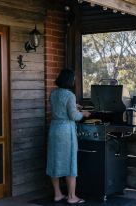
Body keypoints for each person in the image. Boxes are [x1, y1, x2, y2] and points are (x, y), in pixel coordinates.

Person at [46, 69, 90, 204]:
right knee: (70, 162)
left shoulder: (53, 93)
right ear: (70, 80)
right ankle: (72, 197)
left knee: (54, 160)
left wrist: (74, 106)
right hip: (66, 131)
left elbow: (59, 107)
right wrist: (84, 114)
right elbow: (73, 116)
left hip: (54, 129)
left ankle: (58, 194)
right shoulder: (70, 95)